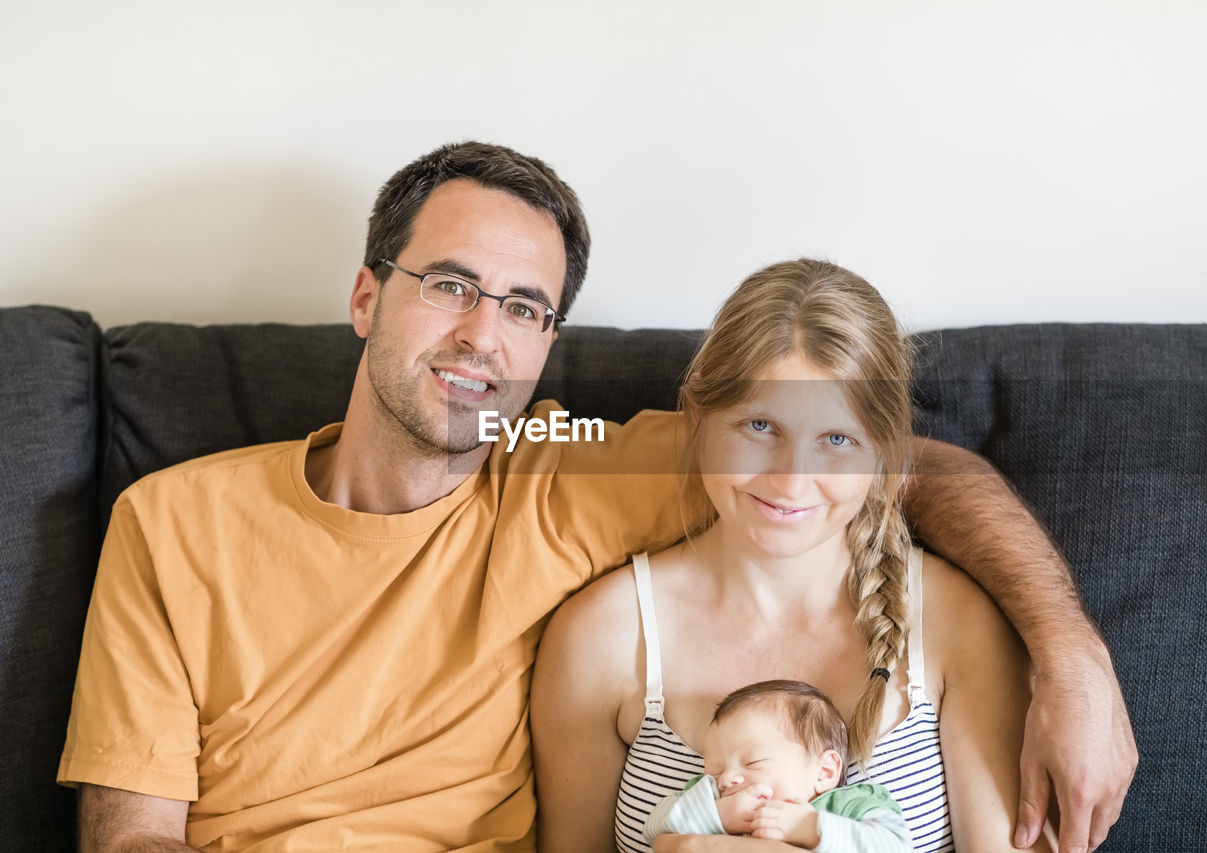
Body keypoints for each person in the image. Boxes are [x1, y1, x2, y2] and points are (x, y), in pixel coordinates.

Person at [57, 142, 1133, 852]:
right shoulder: (173, 519)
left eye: (524, 307)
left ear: (546, 344)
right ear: (365, 295)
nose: (484, 334)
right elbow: (131, 833)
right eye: (449, 286)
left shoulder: (568, 466)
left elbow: (888, 466)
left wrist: (1072, 655)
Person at [531, 258, 1076, 852]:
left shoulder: (959, 623)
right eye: (760, 426)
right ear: (696, 418)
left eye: (836, 439)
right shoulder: (601, 636)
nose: (791, 481)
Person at [645, 680, 910, 852]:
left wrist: (809, 827)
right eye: (714, 769)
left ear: (825, 771)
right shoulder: (711, 799)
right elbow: (653, 828)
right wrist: (716, 814)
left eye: (753, 763)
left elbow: (897, 846)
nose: (727, 779)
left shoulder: (846, 805)